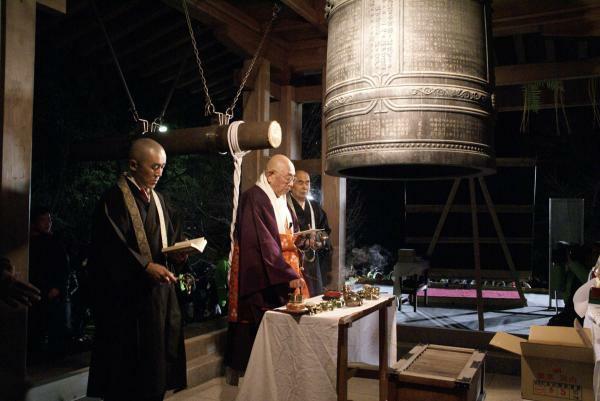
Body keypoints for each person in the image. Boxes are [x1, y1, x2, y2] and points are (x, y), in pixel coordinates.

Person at [87, 138, 187, 401]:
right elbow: (110, 247)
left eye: (162, 167)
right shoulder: (113, 200)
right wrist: (144, 266)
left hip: (159, 297)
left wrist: (179, 254)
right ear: (133, 164)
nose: (159, 173)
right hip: (129, 300)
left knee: (157, 369)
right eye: (154, 167)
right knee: (128, 373)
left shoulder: (160, 200)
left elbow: (168, 241)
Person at [225, 154, 306, 380]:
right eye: (288, 179)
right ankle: (257, 378)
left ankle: (277, 373)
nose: (291, 184)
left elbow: (288, 232)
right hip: (261, 270)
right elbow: (262, 243)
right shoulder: (254, 197)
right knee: (256, 325)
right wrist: (285, 272)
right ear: (270, 176)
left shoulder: (280, 199)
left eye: (292, 179)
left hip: (278, 267)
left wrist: (302, 241)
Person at [28, 207, 71, 359]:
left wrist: (58, 288)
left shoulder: (54, 241)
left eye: (50, 220)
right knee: (36, 328)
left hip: (53, 291)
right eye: (44, 220)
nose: (48, 223)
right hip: (36, 289)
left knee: (56, 329)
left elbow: (63, 267)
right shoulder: (29, 243)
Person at [287, 170, 332, 296]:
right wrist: (303, 241)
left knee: (314, 294)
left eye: (307, 183)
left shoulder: (315, 206)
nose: (304, 187)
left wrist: (319, 240)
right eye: (300, 182)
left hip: (312, 261)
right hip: (292, 260)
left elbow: (325, 231)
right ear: (292, 184)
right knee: (296, 297)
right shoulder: (283, 205)